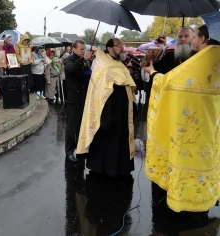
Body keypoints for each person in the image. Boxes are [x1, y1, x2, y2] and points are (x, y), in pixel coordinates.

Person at [143, 24, 220, 215]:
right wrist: (157, 49)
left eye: (189, 36)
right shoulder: (172, 56)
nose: (185, 40)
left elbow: (165, 81)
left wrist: (153, 74)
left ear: (199, 38)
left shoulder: (201, 59)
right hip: (198, 123)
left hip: (189, 125)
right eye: (180, 37)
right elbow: (155, 68)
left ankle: (187, 206)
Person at [77, 38, 137, 177]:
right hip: (108, 111)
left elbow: (128, 84)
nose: (122, 47)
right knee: (107, 141)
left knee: (121, 139)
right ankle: (104, 168)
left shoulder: (119, 64)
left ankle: (121, 167)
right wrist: (107, 114)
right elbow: (99, 90)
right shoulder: (102, 65)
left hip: (122, 110)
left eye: (122, 44)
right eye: (119, 45)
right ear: (109, 49)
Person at [64, 40, 93, 162]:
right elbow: (71, 71)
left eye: (84, 49)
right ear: (74, 49)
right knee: (72, 127)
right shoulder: (69, 60)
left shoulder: (86, 61)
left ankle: (80, 148)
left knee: (81, 126)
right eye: (81, 49)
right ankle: (69, 151)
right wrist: (82, 60)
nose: (83, 51)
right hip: (74, 98)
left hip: (85, 97)